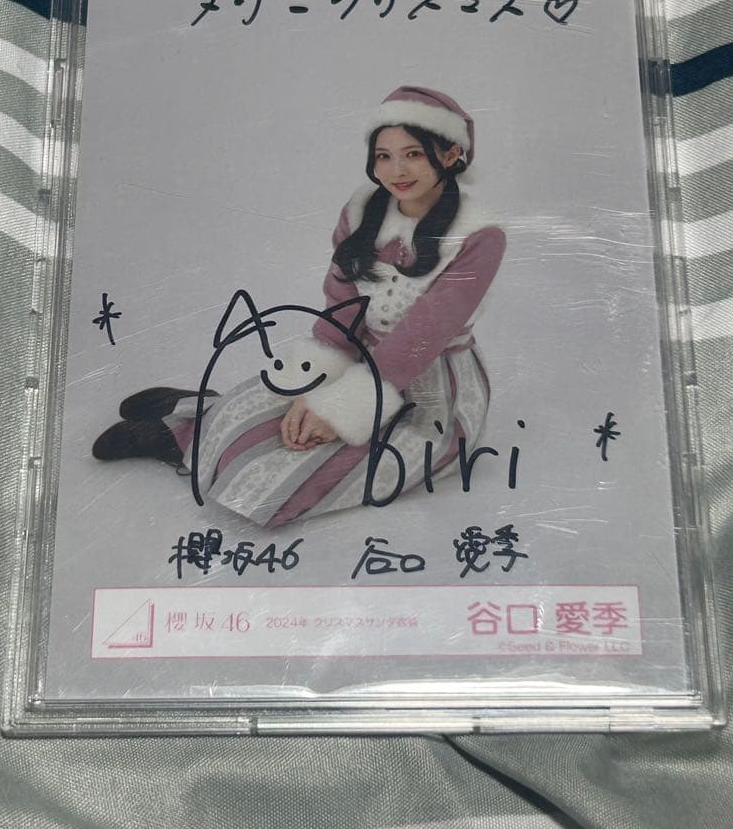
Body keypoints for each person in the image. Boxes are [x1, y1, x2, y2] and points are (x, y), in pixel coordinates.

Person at [93, 86, 506, 526]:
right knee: (269, 406)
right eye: (383, 156)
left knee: (308, 473)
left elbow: (425, 332)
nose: (396, 170)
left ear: (451, 154)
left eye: (414, 155)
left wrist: (340, 410)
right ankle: (194, 422)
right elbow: (342, 299)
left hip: (433, 390)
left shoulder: (479, 235)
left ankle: (195, 430)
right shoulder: (363, 210)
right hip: (359, 354)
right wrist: (323, 377)